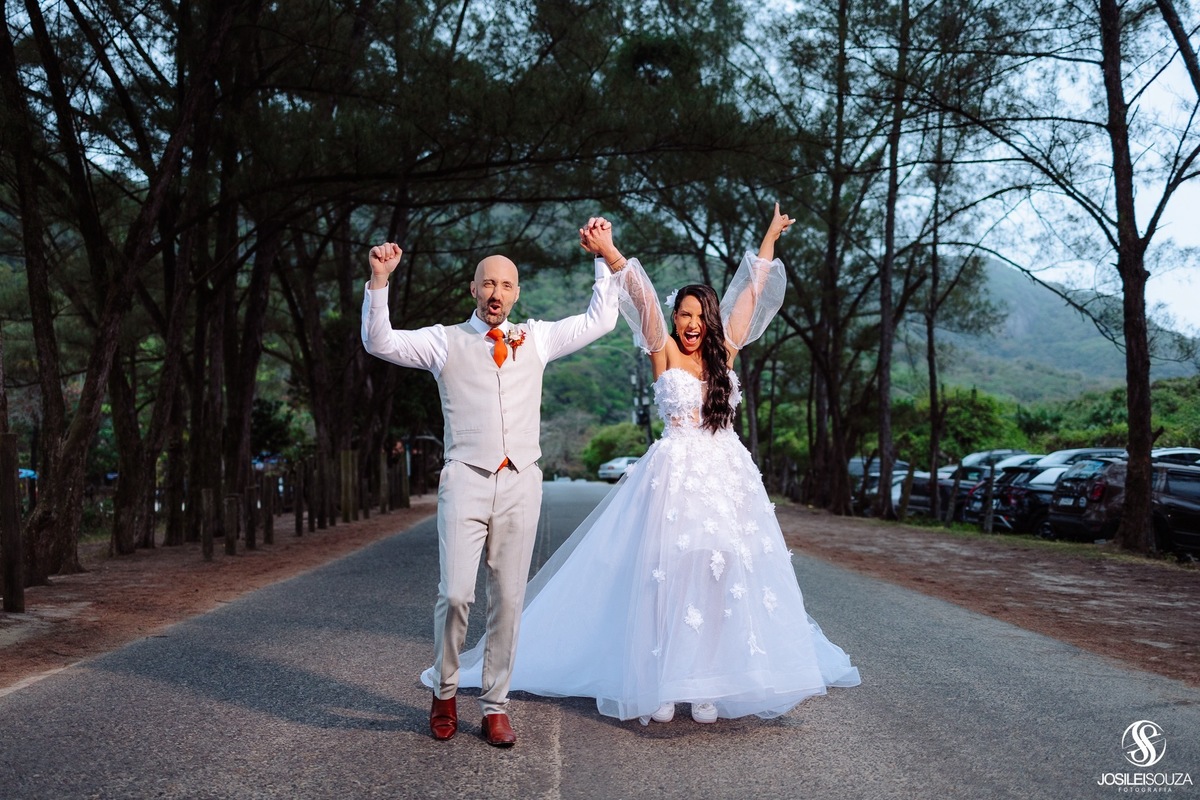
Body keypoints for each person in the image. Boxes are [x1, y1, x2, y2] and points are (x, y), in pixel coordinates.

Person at [449, 204, 860, 724]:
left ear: (710, 321)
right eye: (684, 314)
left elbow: (752, 294)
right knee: (668, 574)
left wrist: (769, 238)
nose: (691, 324)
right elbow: (641, 295)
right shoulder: (662, 349)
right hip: (674, 475)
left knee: (720, 572)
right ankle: (664, 679)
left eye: (699, 316)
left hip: (726, 478)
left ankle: (707, 681)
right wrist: (609, 251)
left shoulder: (725, 352)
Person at [361, 224, 632, 746]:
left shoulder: (538, 338)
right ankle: (444, 691)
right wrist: (379, 281)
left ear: (517, 293)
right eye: (487, 283)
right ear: (473, 289)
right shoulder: (444, 341)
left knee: (509, 599)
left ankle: (494, 705)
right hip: (464, 477)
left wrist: (602, 257)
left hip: (521, 482)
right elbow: (379, 341)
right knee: (455, 595)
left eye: (506, 285)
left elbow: (601, 320)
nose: (496, 293)